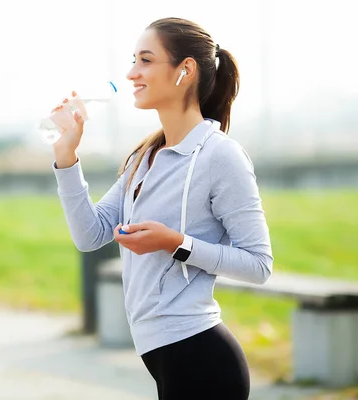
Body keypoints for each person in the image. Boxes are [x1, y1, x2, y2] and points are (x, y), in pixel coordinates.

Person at [50, 17, 273, 400]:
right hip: (166, 360)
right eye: (134, 60)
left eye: (146, 60)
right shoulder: (145, 157)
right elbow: (89, 235)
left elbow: (259, 264)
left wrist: (175, 242)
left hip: (203, 362)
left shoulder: (221, 156)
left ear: (184, 70)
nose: (131, 73)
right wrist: (66, 156)